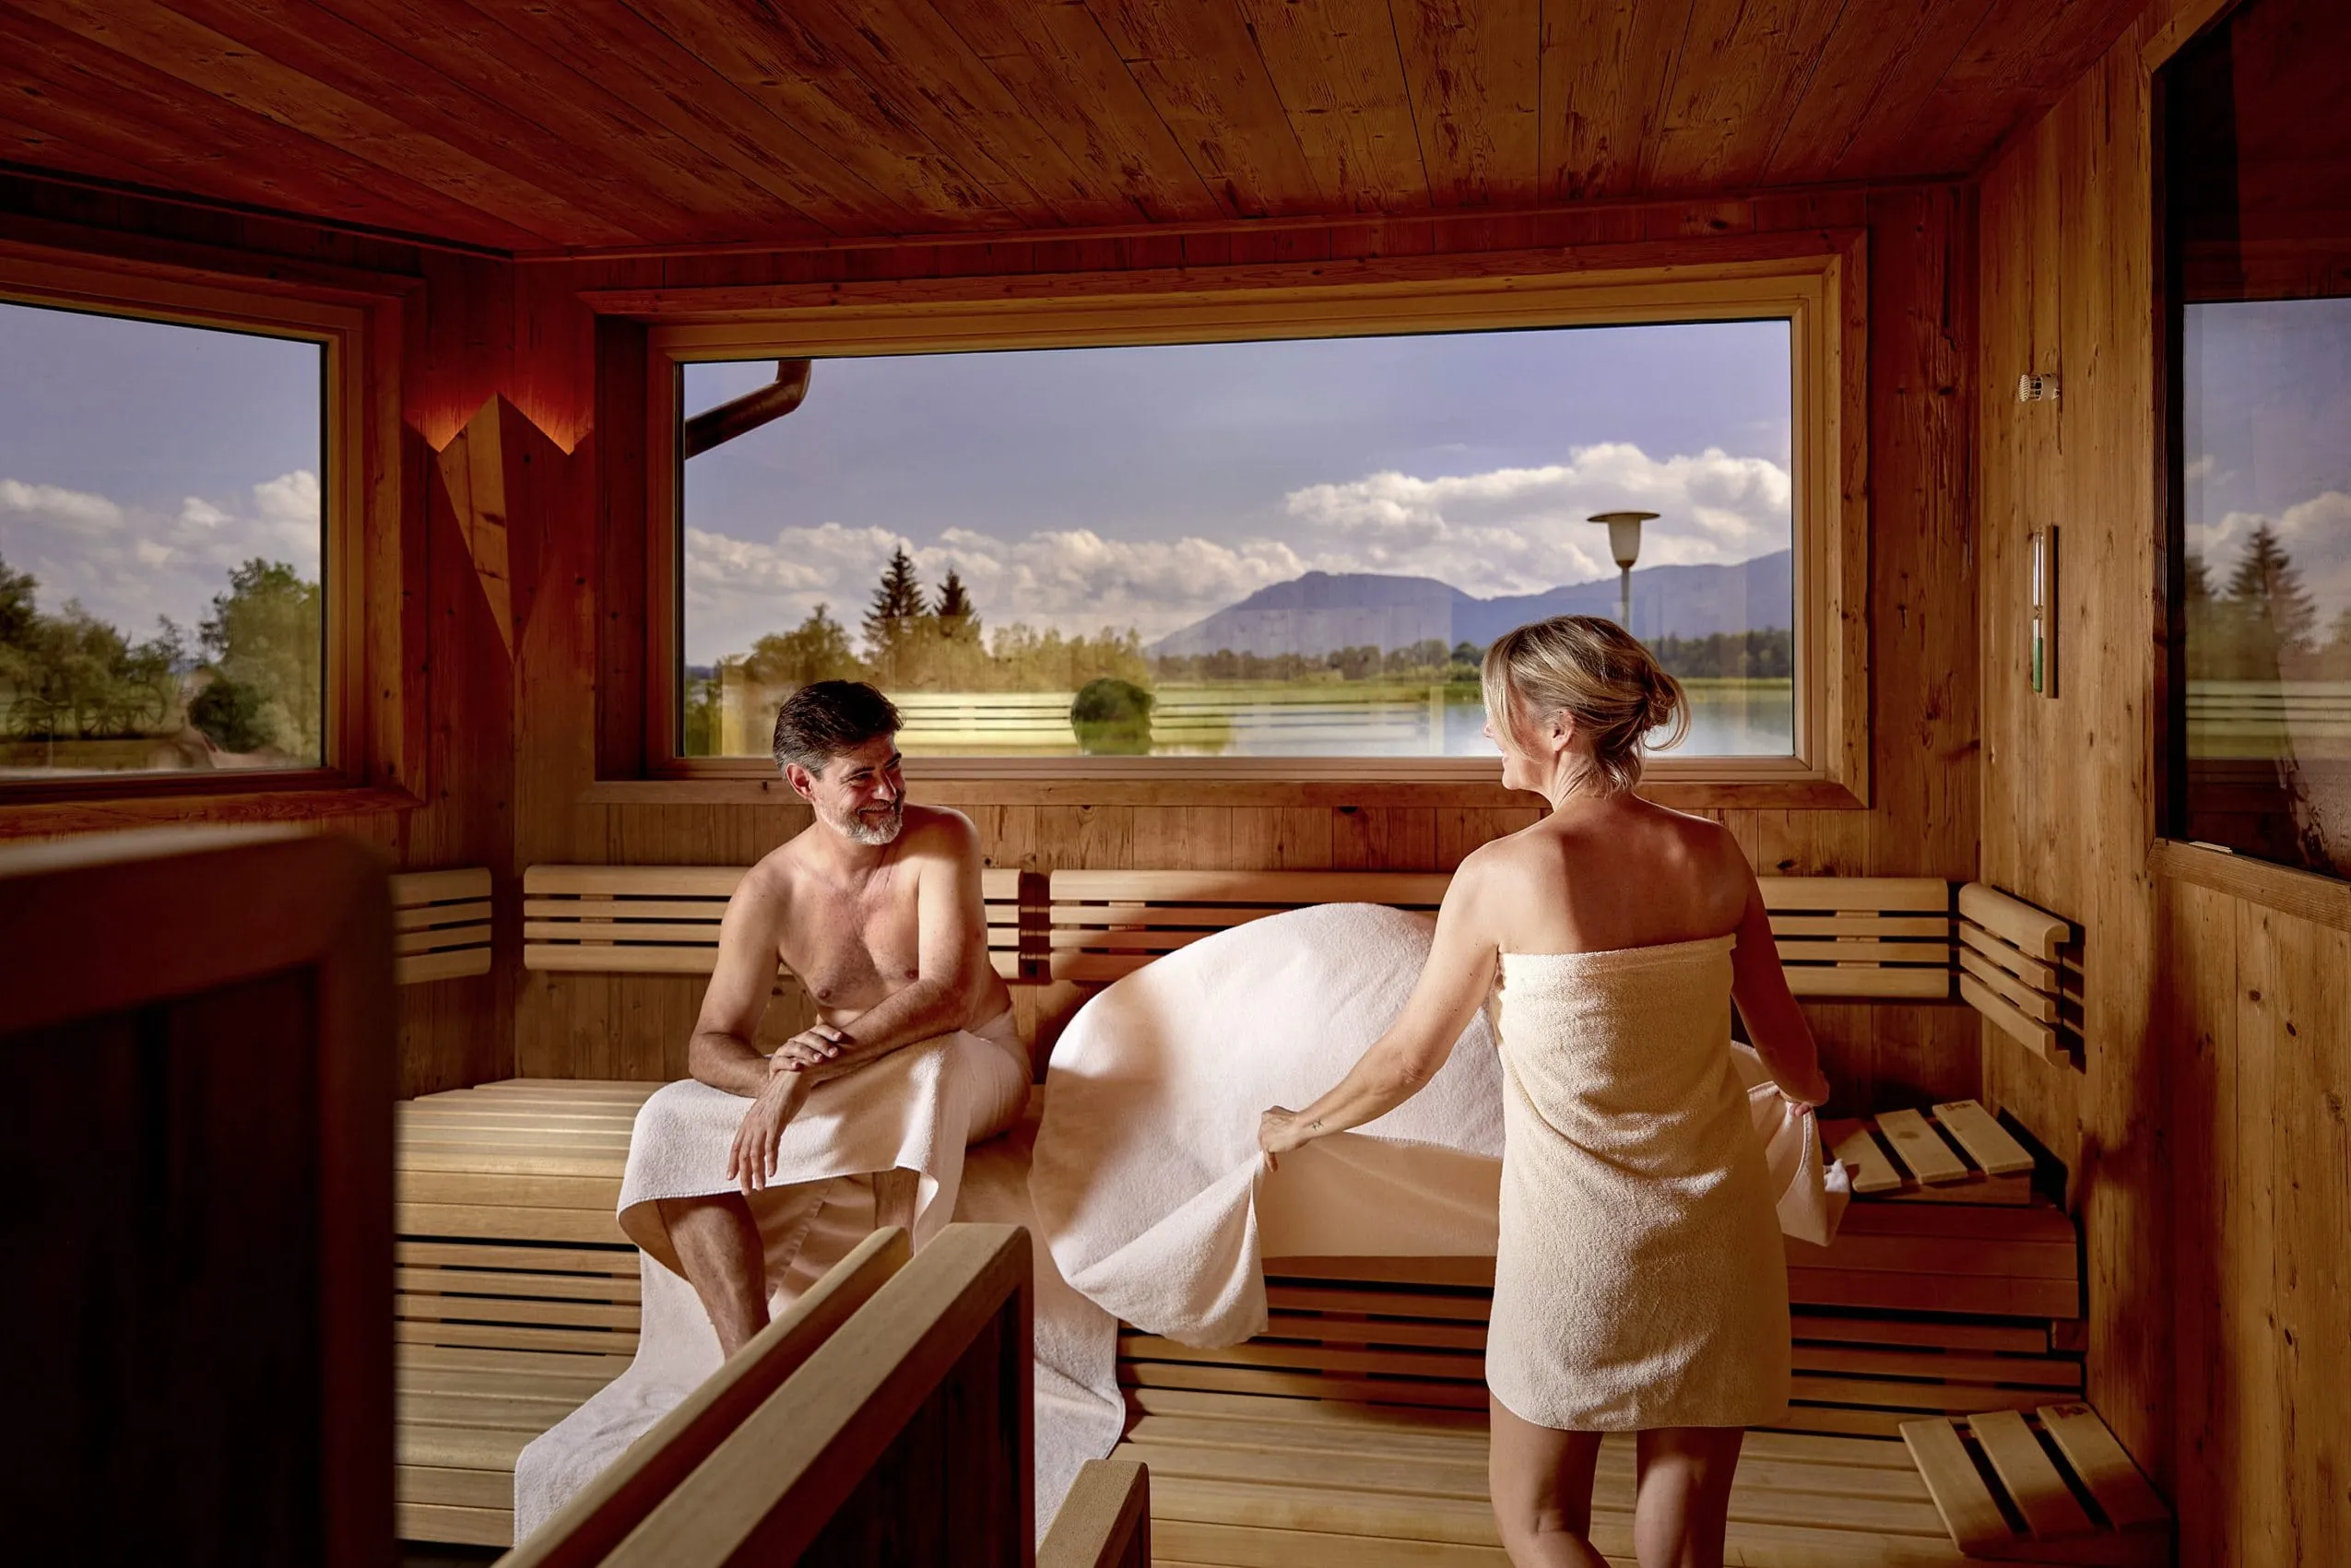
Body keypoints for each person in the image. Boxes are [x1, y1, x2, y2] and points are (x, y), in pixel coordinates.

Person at [1258, 617, 1829, 1568]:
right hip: (1719, 1234)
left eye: (1498, 712)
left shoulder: (1502, 875)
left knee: (1540, 1524)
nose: (1487, 731)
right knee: (1687, 1545)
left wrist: (1298, 1122)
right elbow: (1790, 1057)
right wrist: (1810, 1104)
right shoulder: (1716, 855)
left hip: (1580, 1247)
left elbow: (1407, 1061)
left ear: (1559, 726)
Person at [654, 679, 1023, 1355]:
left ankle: (894, 1340)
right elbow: (710, 1043)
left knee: (929, 1064)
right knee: (667, 1119)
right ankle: (749, 1364)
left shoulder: (943, 840)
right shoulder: (770, 890)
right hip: (849, 1078)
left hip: (976, 1057)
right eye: (862, 776)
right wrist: (777, 1075)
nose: (888, 790)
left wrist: (812, 1066)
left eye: (893, 764)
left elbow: (949, 996)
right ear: (803, 783)